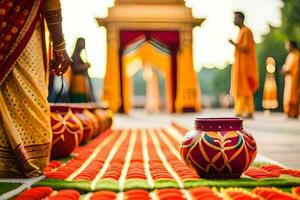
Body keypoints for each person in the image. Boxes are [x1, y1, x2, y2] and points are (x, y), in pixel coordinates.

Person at [0, 0, 71, 177]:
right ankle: (21, 158)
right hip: (22, 26)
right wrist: (59, 46)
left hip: (21, 19)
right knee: (26, 94)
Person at [229, 11, 259, 119]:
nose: (233, 20)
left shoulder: (246, 31)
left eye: (235, 18)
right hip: (239, 66)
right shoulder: (241, 31)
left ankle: (242, 111)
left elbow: (247, 48)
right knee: (240, 89)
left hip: (245, 67)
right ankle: (245, 111)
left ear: (241, 19)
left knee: (244, 89)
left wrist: (234, 44)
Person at [69, 38, 93, 103]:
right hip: (77, 81)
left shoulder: (79, 56)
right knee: (77, 100)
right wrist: (85, 66)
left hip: (81, 82)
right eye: (83, 43)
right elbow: (75, 68)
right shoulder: (75, 56)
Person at [282, 41, 300, 118]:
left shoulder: (297, 55)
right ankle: (289, 112)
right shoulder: (290, 55)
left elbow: (295, 68)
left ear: (292, 46)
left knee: (294, 97)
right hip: (289, 79)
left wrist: (287, 70)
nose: (287, 47)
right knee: (288, 96)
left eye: (288, 45)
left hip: (295, 79)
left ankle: (294, 113)